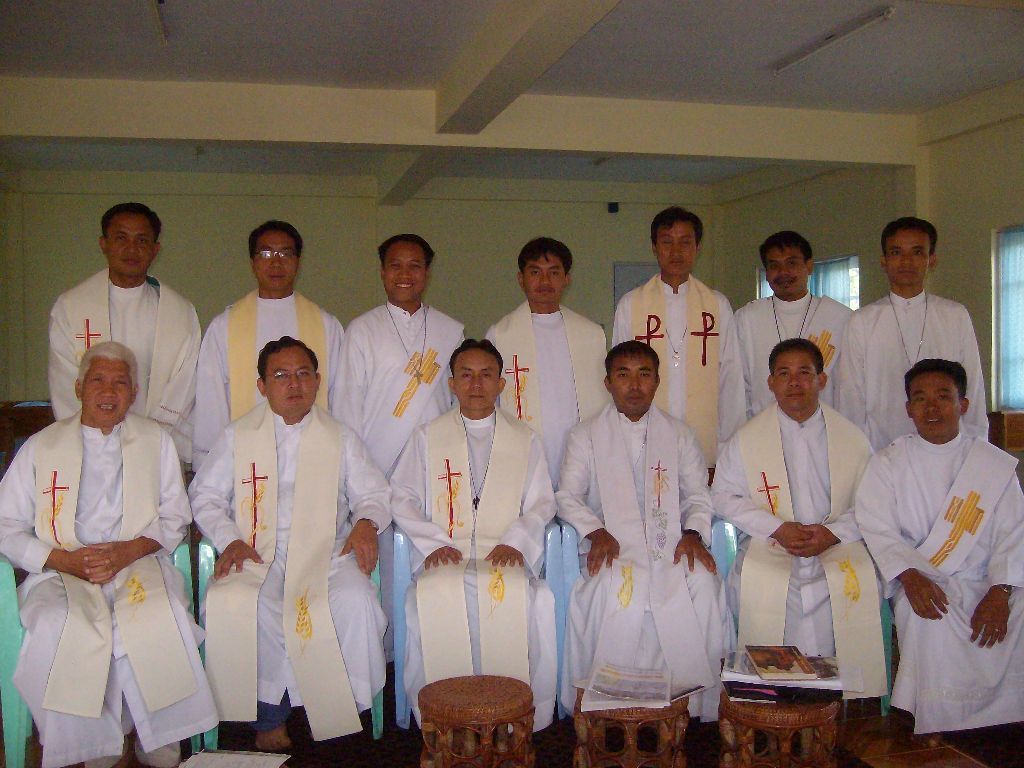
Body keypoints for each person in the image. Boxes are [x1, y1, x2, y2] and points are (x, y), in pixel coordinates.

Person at [0, 342, 217, 768]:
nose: (109, 390)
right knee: (55, 624)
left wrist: (128, 551)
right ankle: (94, 742)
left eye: (120, 382)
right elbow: (5, 524)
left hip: (137, 563)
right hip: (62, 570)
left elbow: (175, 515)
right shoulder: (42, 447)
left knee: (162, 611)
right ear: (79, 387)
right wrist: (62, 560)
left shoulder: (155, 441)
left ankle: (160, 735)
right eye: (98, 379)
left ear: (133, 394)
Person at [190, 336, 390, 750]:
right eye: (280, 375)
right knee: (246, 603)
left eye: (303, 374)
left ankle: (342, 715)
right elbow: (204, 496)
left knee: (355, 601)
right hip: (259, 552)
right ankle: (269, 719)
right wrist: (228, 539)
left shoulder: (340, 436)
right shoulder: (237, 436)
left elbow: (373, 493)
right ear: (262, 386)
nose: (293, 384)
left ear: (317, 382)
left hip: (326, 554)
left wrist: (367, 522)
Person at [557, 340, 731, 720]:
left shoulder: (680, 434)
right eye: (624, 375)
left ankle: (693, 702)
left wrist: (693, 534)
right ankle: (609, 701)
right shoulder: (584, 435)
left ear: (656, 382)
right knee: (607, 590)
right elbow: (568, 496)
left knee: (702, 583)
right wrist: (595, 531)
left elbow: (699, 495)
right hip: (611, 546)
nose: (634, 385)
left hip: (671, 545)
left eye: (644, 375)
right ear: (607, 383)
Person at [390, 339, 557, 731]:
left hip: (505, 554)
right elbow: (402, 496)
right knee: (437, 594)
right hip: (446, 554)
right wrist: (433, 543)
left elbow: (542, 502)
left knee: (522, 599)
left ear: (502, 384)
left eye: (486, 375)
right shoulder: (427, 436)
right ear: (451, 384)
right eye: (466, 375)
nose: (476, 384)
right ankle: (448, 719)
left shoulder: (525, 438)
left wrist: (516, 540)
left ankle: (508, 717)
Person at [712, 338, 887, 699]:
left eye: (804, 372)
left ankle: (832, 702)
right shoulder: (745, 440)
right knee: (758, 582)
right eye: (784, 373)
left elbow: (876, 504)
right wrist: (776, 528)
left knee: (848, 586)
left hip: (834, 548)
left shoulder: (853, 439)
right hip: (771, 546)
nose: (794, 382)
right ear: (770, 383)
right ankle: (769, 699)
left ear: (822, 380)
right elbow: (722, 497)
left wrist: (833, 533)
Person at [855, 359, 1024, 733]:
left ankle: (1010, 712)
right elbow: (876, 526)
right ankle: (940, 718)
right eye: (921, 398)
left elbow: (1015, 532)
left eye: (943, 397)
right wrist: (908, 576)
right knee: (928, 616)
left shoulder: (990, 465)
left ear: (963, 404)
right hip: (924, 578)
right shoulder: (888, 462)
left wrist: (1000, 591)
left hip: (988, 579)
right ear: (908, 409)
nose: (932, 408)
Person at [336, 234, 464, 655]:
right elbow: (347, 410)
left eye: (415, 266)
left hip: (434, 474)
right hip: (378, 473)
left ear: (427, 273)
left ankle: (433, 664)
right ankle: (386, 667)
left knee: (432, 570)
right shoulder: (361, 330)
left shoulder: (450, 331)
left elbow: (455, 401)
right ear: (382, 272)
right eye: (395, 265)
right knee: (383, 577)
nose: (405, 274)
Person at [48, 202, 201, 463]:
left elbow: (185, 382)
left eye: (142, 240)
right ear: (103, 244)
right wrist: (97, 435)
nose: (132, 248)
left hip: (156, 445)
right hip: (90, 448)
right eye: (121, 238)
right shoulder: (71, 307)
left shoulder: (180, 312)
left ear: (155, 250)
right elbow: (64, 381)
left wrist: (149, 435)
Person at [192, 220, 346, 469]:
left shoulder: (326, 325)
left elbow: (341, 397)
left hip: (314, 458)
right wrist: (211, 467)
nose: (276, 262)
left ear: (298, 261)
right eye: (265, 253)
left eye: (285, 253)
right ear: (252, 263)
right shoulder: (224, 327)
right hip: (245, 459)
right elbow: (212, 401)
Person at [612, 206, 744, 473]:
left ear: (697, 247)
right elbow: (619, 380)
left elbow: (731, 379)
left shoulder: (717, 305)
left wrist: (725, 453)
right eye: (667, 242)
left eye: (685, 242)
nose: (676, 251)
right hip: (643, 444)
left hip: (704, 443)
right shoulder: (631, 304)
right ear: (654, 247)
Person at [837, 217, 987, 451]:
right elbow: (850, 400)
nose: (906, 261)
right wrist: (858, 459)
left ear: (931, 260)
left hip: (948, 449)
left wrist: (978, 451)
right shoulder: (862, 321)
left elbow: (974, 389)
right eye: (896, 252)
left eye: (917, 252)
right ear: (884, 261)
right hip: (882, 450)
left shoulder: (954, 315)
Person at [486, 237, 608, 487]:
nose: (544, 281)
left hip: (578, 448)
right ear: (521, 279)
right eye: (535, 272)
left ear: (567, 279)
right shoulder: (500, 335)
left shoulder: (592, 334)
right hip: (523, 449)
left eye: (554, 272)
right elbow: (491, 403)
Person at [733, 231, 851, 419]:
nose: (783, 273)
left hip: (824, 427)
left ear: (809, 266)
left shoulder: (839, 318)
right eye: (774, 266)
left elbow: (847, 387)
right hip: (764, 428)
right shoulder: (747, 318)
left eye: (792, 263)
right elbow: (738, 385)